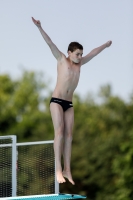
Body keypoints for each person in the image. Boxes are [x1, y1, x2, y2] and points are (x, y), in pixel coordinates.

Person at [32, 17, 112, 185]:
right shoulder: (61, 59)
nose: (80, 57)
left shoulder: (80, 64)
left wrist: (105, 45)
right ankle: (58, 169)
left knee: (69, 136)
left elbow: (94, 52)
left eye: (81, 54)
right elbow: (50, 43)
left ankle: (68, 169)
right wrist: (40, 27)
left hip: (68, 104)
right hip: (56, 101)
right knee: (59, 132)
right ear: (69, 52)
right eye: (77, 54)